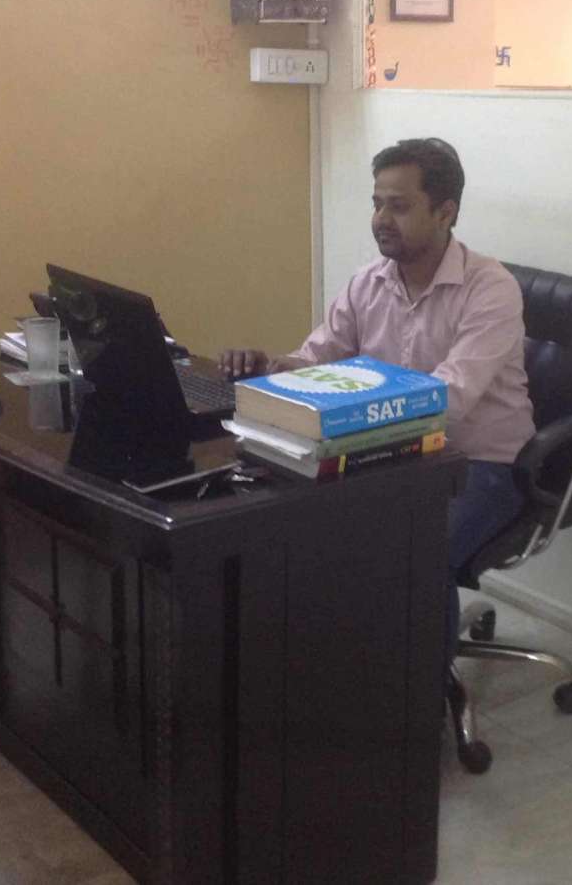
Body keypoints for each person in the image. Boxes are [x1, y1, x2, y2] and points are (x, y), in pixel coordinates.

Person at [219, 137, 535, 668]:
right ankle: (347, 669)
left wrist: (355, 420)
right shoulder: (369, 281)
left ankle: (423, 700)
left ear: (445, 212)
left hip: (480, 464)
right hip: (394, 454)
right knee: (292, 522)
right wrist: (269, 367)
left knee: (414, 551)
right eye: (377, 203)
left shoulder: (490, 289)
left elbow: (448, 401)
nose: (381, 219)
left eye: (399, 206)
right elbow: (317, 359)